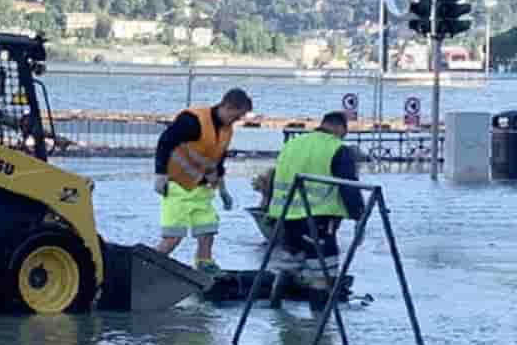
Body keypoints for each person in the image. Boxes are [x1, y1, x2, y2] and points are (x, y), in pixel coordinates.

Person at [266, 110, 365, 309]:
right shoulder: (337, 148)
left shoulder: (293, 144)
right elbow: (349, 187)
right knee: (322, 274)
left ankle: (276, 316)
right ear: (339, 128)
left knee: (288, 266)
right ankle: (319, 328)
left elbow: (275, 177)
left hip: (285, 217)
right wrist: (359, 216)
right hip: (317, 220)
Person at [153, 88, 253, 274]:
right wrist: (160, 174)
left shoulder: (226, 130)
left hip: (202, 189)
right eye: (237, 116)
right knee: (173, 238)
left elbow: (218, 161)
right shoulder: (193, 120)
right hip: (178, 186)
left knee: (207, 229)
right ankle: (149, 266)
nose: (238, 120)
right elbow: (165, 142)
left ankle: (204, 263)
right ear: (228, 106)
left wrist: (223, 190)